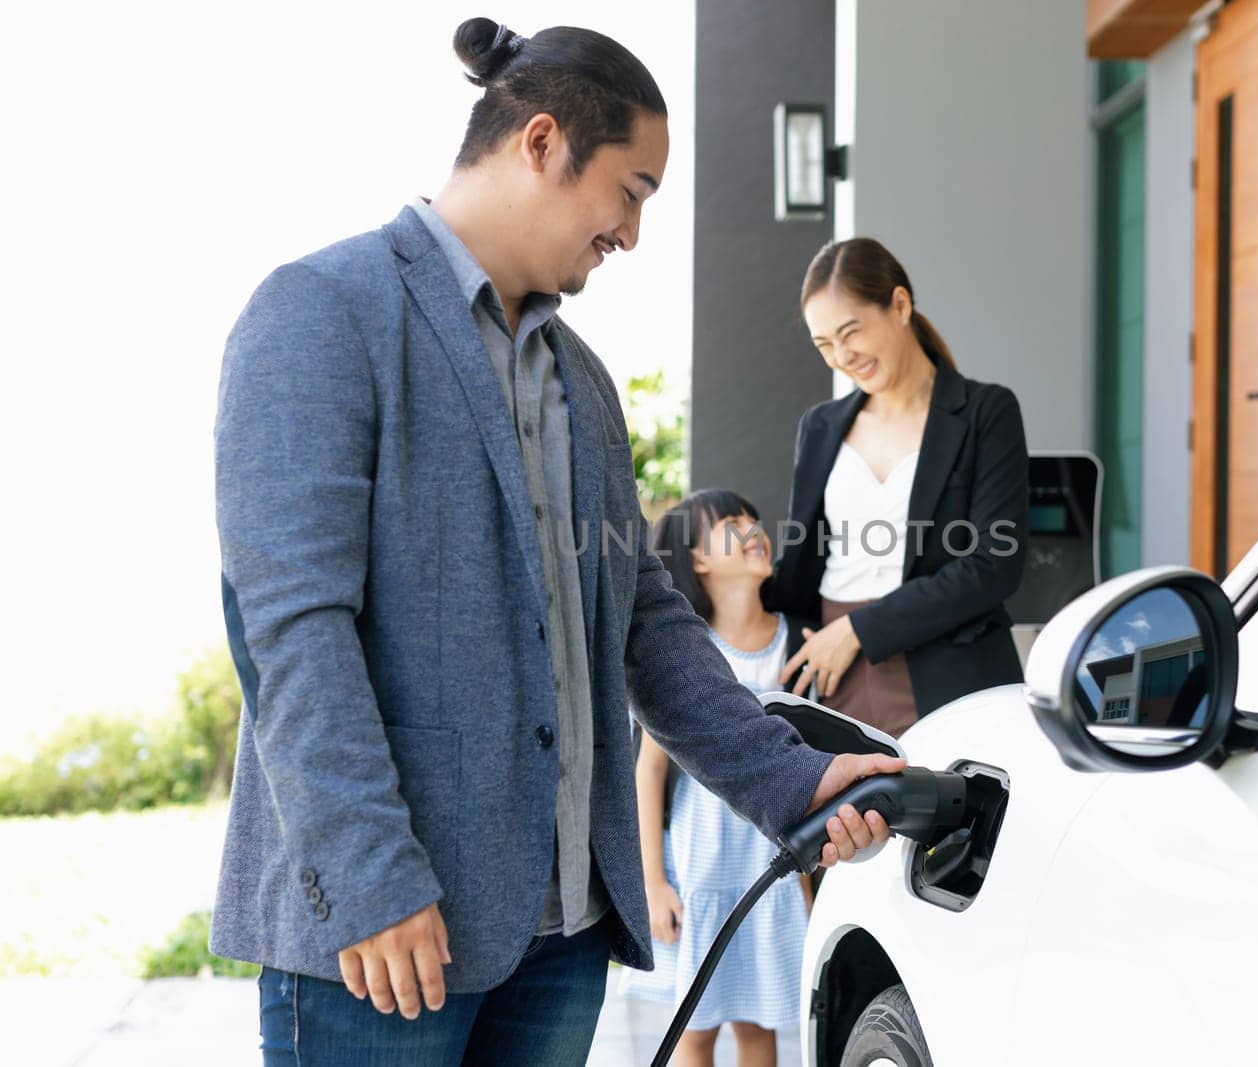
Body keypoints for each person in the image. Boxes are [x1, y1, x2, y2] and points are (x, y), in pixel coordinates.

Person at [211, 20, 900, 1066]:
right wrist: (370, 878)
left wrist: (787, 778)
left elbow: (644, 622)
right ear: (541, 143)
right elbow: (291, 632)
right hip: (390, 939)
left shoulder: (582, 382)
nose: (631, 231)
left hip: (562, 937)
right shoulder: (320, 312)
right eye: (631, 190)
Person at [769, 238, 1029, 737]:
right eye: (824, 345)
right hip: (834, 671)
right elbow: (804, 561)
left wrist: (859, 631)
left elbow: (994, 565)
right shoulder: (820, 426)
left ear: (900, 306)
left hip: (950, 666)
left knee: (967, 813)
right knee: (848, 815)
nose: (843, 357)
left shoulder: (985, 413)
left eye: (851, 333)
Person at [622, 490, 810, 1067]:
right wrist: (653, 882)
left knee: (760, 1026)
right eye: (731, 524)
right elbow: (649, 771)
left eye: (754, 519)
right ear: (697, 559)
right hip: (700, 869)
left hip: (774, 869)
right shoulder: (688, 654)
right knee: (693, 1028)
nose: (753, 529)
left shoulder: (801, 645)